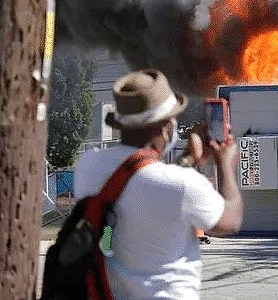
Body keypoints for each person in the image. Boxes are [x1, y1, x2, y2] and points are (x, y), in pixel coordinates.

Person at [74, 69, 243, 300]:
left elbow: (143, 185)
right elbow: (229, 221)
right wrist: (225, 164)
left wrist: (189, 161)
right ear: (166, 127)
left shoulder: (88, 164)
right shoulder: (181, 184)